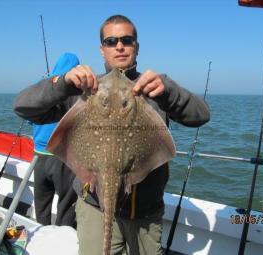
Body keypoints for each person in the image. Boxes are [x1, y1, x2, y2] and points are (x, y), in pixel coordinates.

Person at [13, 15, 210, 255]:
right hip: (95, 208)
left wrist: (168, 93)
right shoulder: (85, 89)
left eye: (127, 40)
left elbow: (200, 116)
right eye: (111, 41)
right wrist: (62, 84)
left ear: (136, 46)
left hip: (146, 213)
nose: (119, 46)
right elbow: (22, 107)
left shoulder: (154, 87)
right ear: (102, 49)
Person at [31, 53, 79, 227]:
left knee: (41, 204)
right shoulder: (72, 91)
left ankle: (42, 233)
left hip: (38, 157)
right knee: (66, 204)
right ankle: (63, 236)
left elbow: (30, 117)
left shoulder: (44, 88)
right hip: (61, 158)